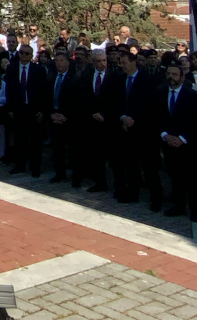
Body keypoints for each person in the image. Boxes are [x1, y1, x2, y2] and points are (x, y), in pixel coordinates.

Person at [112, 47, 162, 210]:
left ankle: (156, 199)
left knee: (149, 167)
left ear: (134, 62)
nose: (123, 66)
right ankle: (132, 193)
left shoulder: (147, 79)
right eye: (120, 63)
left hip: (145, 131)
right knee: (130, 165)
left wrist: (135, 119)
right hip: (126, 130)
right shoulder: (120, 80)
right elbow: (118, 103)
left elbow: (149, 105)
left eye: (125, 63)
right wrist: (123, 118)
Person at [156, 62, 196, 217]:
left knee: (192, 179)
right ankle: (178, 206)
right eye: (169, 74)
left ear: (182, 77)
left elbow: (194, 122)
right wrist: (164, 134)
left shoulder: (191, 95)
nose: (171, 78)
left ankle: (193, 209)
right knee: (175, 177)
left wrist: (182, 139)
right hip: (168, 143)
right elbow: (157, 117)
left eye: (175, 75)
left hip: (187, 145)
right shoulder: (160, 92)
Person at [5, 44, 47, 177]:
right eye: (22, 53)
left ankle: (35, 168)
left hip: (34, 109)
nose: (24, 56)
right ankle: (20, 165)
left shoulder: (38, 69)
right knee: (20, 139)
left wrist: (41, 110)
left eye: (27, 53)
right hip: (19, 108)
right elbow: (9, 89)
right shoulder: (12, 68)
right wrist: (10, 108)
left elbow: (43, 91)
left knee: (35, 141)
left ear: (31, 56)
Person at [82, 48, 120, 193]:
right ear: (93, 62)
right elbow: (84, 97)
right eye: (98, 61)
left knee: (114, 157)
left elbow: (116, 99)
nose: (102, 64)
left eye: (104, 60)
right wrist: (92, 113)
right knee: (96, 155)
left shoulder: (114, 75)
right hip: (93, 121)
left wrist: (105, 114)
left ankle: (118, 185)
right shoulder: (87, 75)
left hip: (109, 122)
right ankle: (100, 183)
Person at [47, 49, 82, 186]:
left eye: (61, 61)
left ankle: (76, 177)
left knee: (73, 150)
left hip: (69, 120)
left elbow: (77, 102)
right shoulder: (51, 77)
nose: (59, 64)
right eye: (56, 61)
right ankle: (60, 174)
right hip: (54, 117)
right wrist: (52, 114)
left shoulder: (74, 79)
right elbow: (47, 98)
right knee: (57, 149)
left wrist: (65, 115)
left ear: (68, 62)